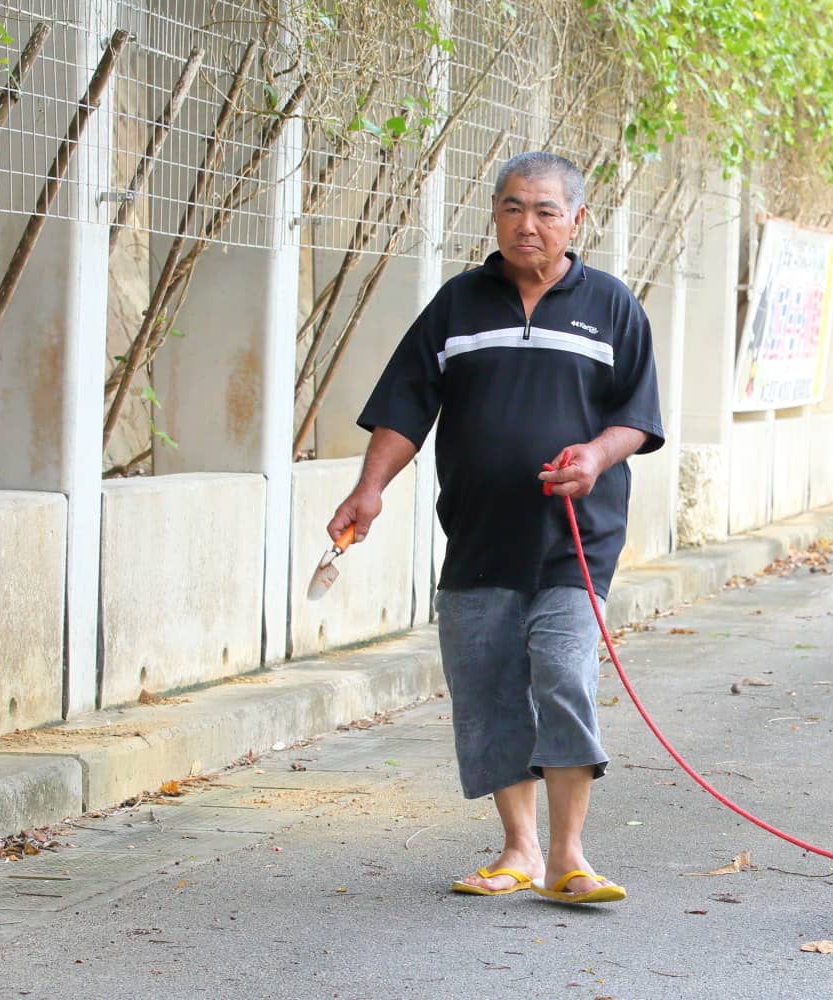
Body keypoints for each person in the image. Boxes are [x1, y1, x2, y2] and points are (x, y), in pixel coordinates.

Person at [326, 151, 664, 905]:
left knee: (566, 675)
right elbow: (406, 404)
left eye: (546, 211)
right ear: (495, 217)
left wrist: (596, 456)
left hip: (576, 536)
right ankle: (518, 850)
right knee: (486, 691)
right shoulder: (458, 304)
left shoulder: (611, 305)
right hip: (477, 539)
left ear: (578, 220)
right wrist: (369, 490)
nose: (528, 225)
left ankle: (569, 855)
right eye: (513, 208)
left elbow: (636, 419)